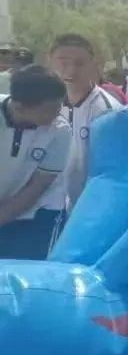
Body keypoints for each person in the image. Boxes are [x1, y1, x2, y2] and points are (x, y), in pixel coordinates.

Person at [0, 65, 71, 259]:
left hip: (37, 210)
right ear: (19, 106)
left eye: (59, 107)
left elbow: (37, 186)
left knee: (29, 271)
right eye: (49, 110)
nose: (57, 115)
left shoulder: (60, 130)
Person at [48, 33, 123, 211]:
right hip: (50, 209)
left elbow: (113, 172)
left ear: (93, 65)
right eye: (63, 62)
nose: (71, 70)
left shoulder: (108, 111)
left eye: (80, 63)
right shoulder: (44, 105)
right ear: (50, 62)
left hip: (89, 210)